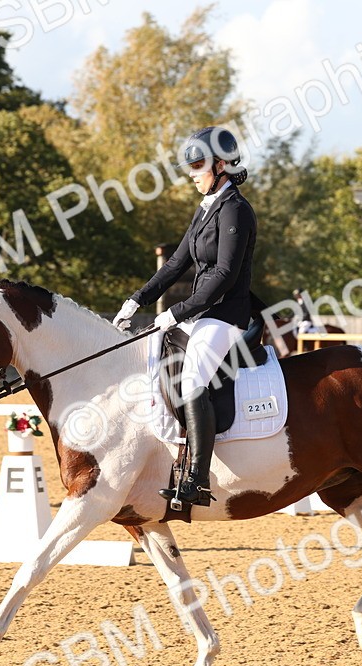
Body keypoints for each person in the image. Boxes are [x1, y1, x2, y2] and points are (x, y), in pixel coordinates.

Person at [112, 126, 257, 508]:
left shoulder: (236, 210)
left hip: (224, 315)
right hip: (199, 312)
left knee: (191, 378)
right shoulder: (207, 208)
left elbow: (225, 274)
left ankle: (197, 479)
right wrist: (137, 300)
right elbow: (177, 263)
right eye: (190, 165)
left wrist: (175, 313)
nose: (191, 172)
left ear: (222, 165)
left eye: (197, 164)